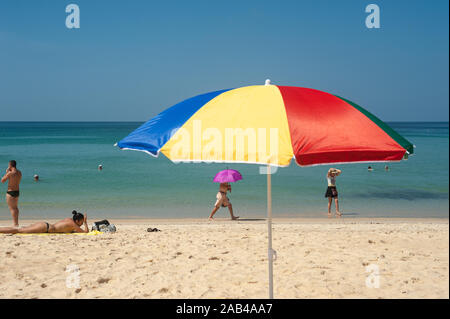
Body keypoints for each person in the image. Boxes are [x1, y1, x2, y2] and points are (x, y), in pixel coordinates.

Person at [0, 210, 89, 234]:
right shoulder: (73, 224)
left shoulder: (69, 220)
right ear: (77, 221)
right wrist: (85, 222)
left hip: (45, 225)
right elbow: (86, 232)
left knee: (20, 229)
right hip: (44, 228)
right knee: (18, 231)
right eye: (81, 222)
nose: (81, 224)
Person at [1, 160, 22, 227]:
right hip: (17, 191)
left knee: (12, 208)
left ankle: (15, 224)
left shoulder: (10, 173)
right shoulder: (19, 172)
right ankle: (16, 223)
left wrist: (7, 172)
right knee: (15, 208)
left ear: (10, 165)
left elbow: (2, 180)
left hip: (10, 192)